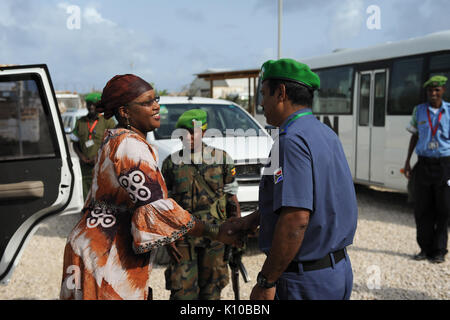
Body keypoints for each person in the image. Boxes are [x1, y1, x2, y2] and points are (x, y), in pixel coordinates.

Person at [59, 74, 239, 300]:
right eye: (147, 103)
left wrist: (167, 234)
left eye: (156, 100)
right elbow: (158, 208)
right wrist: (216, 232)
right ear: (124, 112)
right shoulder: (130, 146)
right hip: (106, 251)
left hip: (98, 243)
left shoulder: (118, 138)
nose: (156, 107)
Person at [228, 58, 358, 300]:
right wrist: (253, 220)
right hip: (336, 272)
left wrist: (266, 281)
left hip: (304, 282)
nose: (261, 102)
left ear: (281, 93)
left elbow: (296, 219)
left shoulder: (290, 141)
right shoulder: (324, 133)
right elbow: (308, 200)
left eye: (264, 93)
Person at [161, 109, 241, 300]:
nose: (186, 137)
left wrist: (238, 232)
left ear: (203, 132)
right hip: (183, 239)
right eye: (183, 132)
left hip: (215, 237)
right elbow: (164, 205)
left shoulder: (222, 159)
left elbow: (232, 199)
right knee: (181, 293)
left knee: (211, 292)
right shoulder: (171, 164)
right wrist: (167, 238)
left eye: (191, 131)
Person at [403, 75, 450, 264]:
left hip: (445, 165)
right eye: (430, 90)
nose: (433, 92)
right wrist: (407, 162)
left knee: (444, 209)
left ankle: (439, 250)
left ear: (443, 91)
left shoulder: (449, 111)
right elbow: (414, 136)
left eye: (437, 89)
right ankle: (424, 248)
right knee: (422, 209)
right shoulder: (419, 111)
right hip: (423, 164)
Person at [71, 92, 116, 200]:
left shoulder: (108, 122)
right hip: (85, 167)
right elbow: (75, 143)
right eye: (89, 104)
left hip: (103, 166)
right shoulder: (80, 122)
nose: (91, 107)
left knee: (103, 195)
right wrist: (82, 157)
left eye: (94, 104)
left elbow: (113, 143)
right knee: (86, 194)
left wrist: (98, 157)